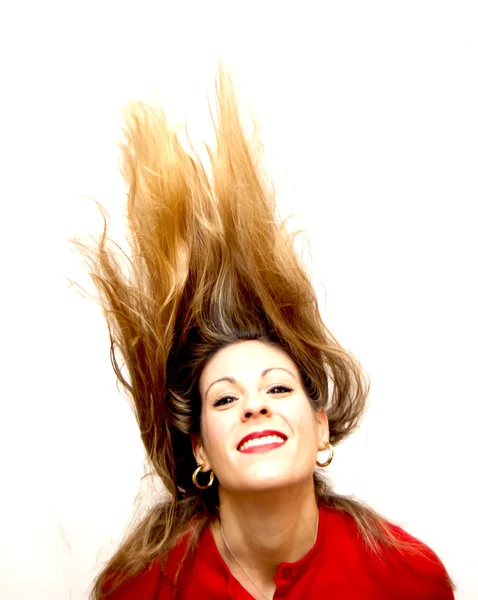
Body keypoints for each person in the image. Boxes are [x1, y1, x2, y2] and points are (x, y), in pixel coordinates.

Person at [80, 70, 455, 599]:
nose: (254, 406)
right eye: (225, 398)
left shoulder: (409, 576)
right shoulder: (139, 588)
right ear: (200, 451)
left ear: (321, 427)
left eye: (278, 388)